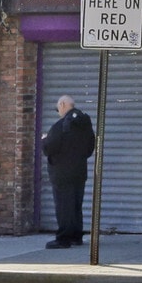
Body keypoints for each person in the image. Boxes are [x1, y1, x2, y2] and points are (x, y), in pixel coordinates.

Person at [41, 95, 97, 250]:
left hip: (62, 173)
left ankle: (63, 239)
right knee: (75, 205)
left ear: (63, 104)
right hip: (79, 171)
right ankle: (76, 236)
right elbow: (90, 147)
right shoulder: (85, 124)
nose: (58, 111)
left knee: (64, 206)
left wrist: (44, 139)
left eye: (58, 107)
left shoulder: (60, 126)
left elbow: (49, 148)